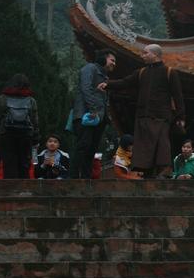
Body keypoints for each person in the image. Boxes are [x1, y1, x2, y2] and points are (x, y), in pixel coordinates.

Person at [98, 44, 185, 178]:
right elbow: (125, 82)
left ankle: (164, 170)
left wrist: (181, 117)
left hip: (161, 116)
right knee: (144, 146)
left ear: (155, 54)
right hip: (143, 115)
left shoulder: (169, 72)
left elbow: (178, 96)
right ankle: (146, 172)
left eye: (145, 53)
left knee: (162, 144)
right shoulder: (141, 72)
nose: (142, 55)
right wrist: (108, 84)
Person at [72, 49, 116, 179]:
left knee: (91, 149)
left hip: (99, 118)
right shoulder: (90, 68)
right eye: (112, 60)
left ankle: (86, 179)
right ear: (103, 58)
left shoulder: (105, 77)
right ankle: (73, 178)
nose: (114, 64)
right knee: (83, 146)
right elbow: (86, 89)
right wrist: (93, 109)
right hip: (86, 115)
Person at [0, 73, 39, 179]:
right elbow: (35, 121)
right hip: (26, 135)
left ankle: (11, 187)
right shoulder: (31, 100)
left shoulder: (3, 98)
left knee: (9, 164)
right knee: (24, 164)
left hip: (7, 134)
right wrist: (36, 139)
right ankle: (23, 187)